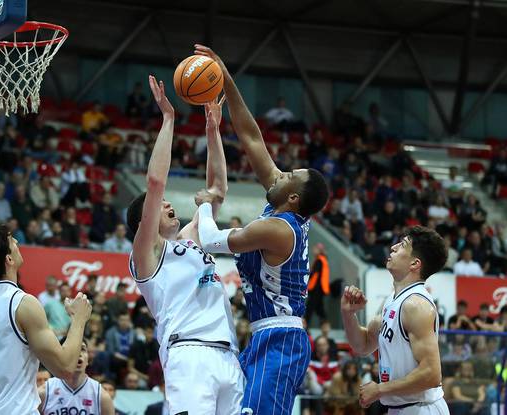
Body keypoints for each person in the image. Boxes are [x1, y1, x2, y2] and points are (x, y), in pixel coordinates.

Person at [192, 44, 329, 415]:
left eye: (287, 175)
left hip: (281, 338)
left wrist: (206, 202)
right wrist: (225, 79)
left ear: (295, 197)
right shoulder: (282, 201)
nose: (279, 172)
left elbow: (210, 240)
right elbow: (252, 137)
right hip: (263, 334)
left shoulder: (279, 228)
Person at [126, 76, 243, 414]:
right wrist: (168, 119)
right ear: (143, 224)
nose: (165, 204)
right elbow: (156, 181)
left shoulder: (190, 238)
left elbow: (217, 190)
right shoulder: (148, 254)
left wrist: (212, 130)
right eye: (158, 205)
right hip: (189, 354)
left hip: (227, 353)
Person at [0, 223, 92, 413]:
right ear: (9, 259)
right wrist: (79, 319)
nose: (17, 241)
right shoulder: (22, 302)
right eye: (12, 240)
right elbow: (65, 368)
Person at [341, 226, 449, 414]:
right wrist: (348, 314)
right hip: (399, 408)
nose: (393, 248)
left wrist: (380, 389)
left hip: (422, 409)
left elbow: (432, 373)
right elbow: (363, 345)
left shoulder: (415, 305)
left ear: (415, 264)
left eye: (402, 245)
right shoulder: (393, 299)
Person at [38, 340, 114, 415]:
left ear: (87, 360)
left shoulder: (102, 396)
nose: (79, 353)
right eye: (73, 349)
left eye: (83, 349)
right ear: (60, 357)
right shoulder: (43, 393)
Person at [306, 243, 331, 326]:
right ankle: (325, 324)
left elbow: (313, 274)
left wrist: (307, 275)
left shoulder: (319, 260)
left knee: (310, 307)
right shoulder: (323, 260)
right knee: (319, 309)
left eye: (315, 249)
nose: (313, 251)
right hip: (320, 289)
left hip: (317, 289)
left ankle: (305, 324)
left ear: (319, 250)